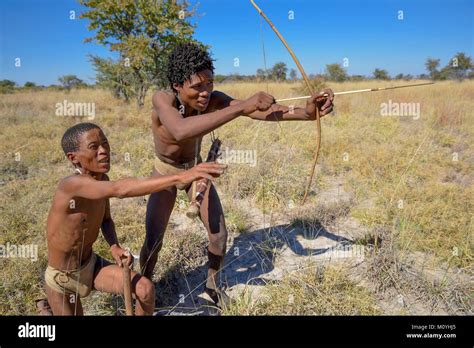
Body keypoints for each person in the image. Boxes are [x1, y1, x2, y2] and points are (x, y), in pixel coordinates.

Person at [140, 42, 334, 307]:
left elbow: (258, 110)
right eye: (197, 86)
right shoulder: (162, 100)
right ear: (177, 85)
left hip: (196, 168)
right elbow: (180, 130)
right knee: (154, 239)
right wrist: (240, 108)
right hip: (165, 171)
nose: (206, 92)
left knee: (219, 235)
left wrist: (306, 112)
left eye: (209, 83)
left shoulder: (215, 99)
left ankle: (212, 285)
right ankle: (145, 285)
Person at [45, 122, 225, 315]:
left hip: (91, 265)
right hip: (62, 279)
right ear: (73, 158)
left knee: (145, 289)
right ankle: (45, 308)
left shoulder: (101, 179)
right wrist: (180, 177)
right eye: (94, 147)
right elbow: (120, 189)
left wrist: (114, 246)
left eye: (105, 143)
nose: (104, 151)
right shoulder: (71, 185)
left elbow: (105, 220)